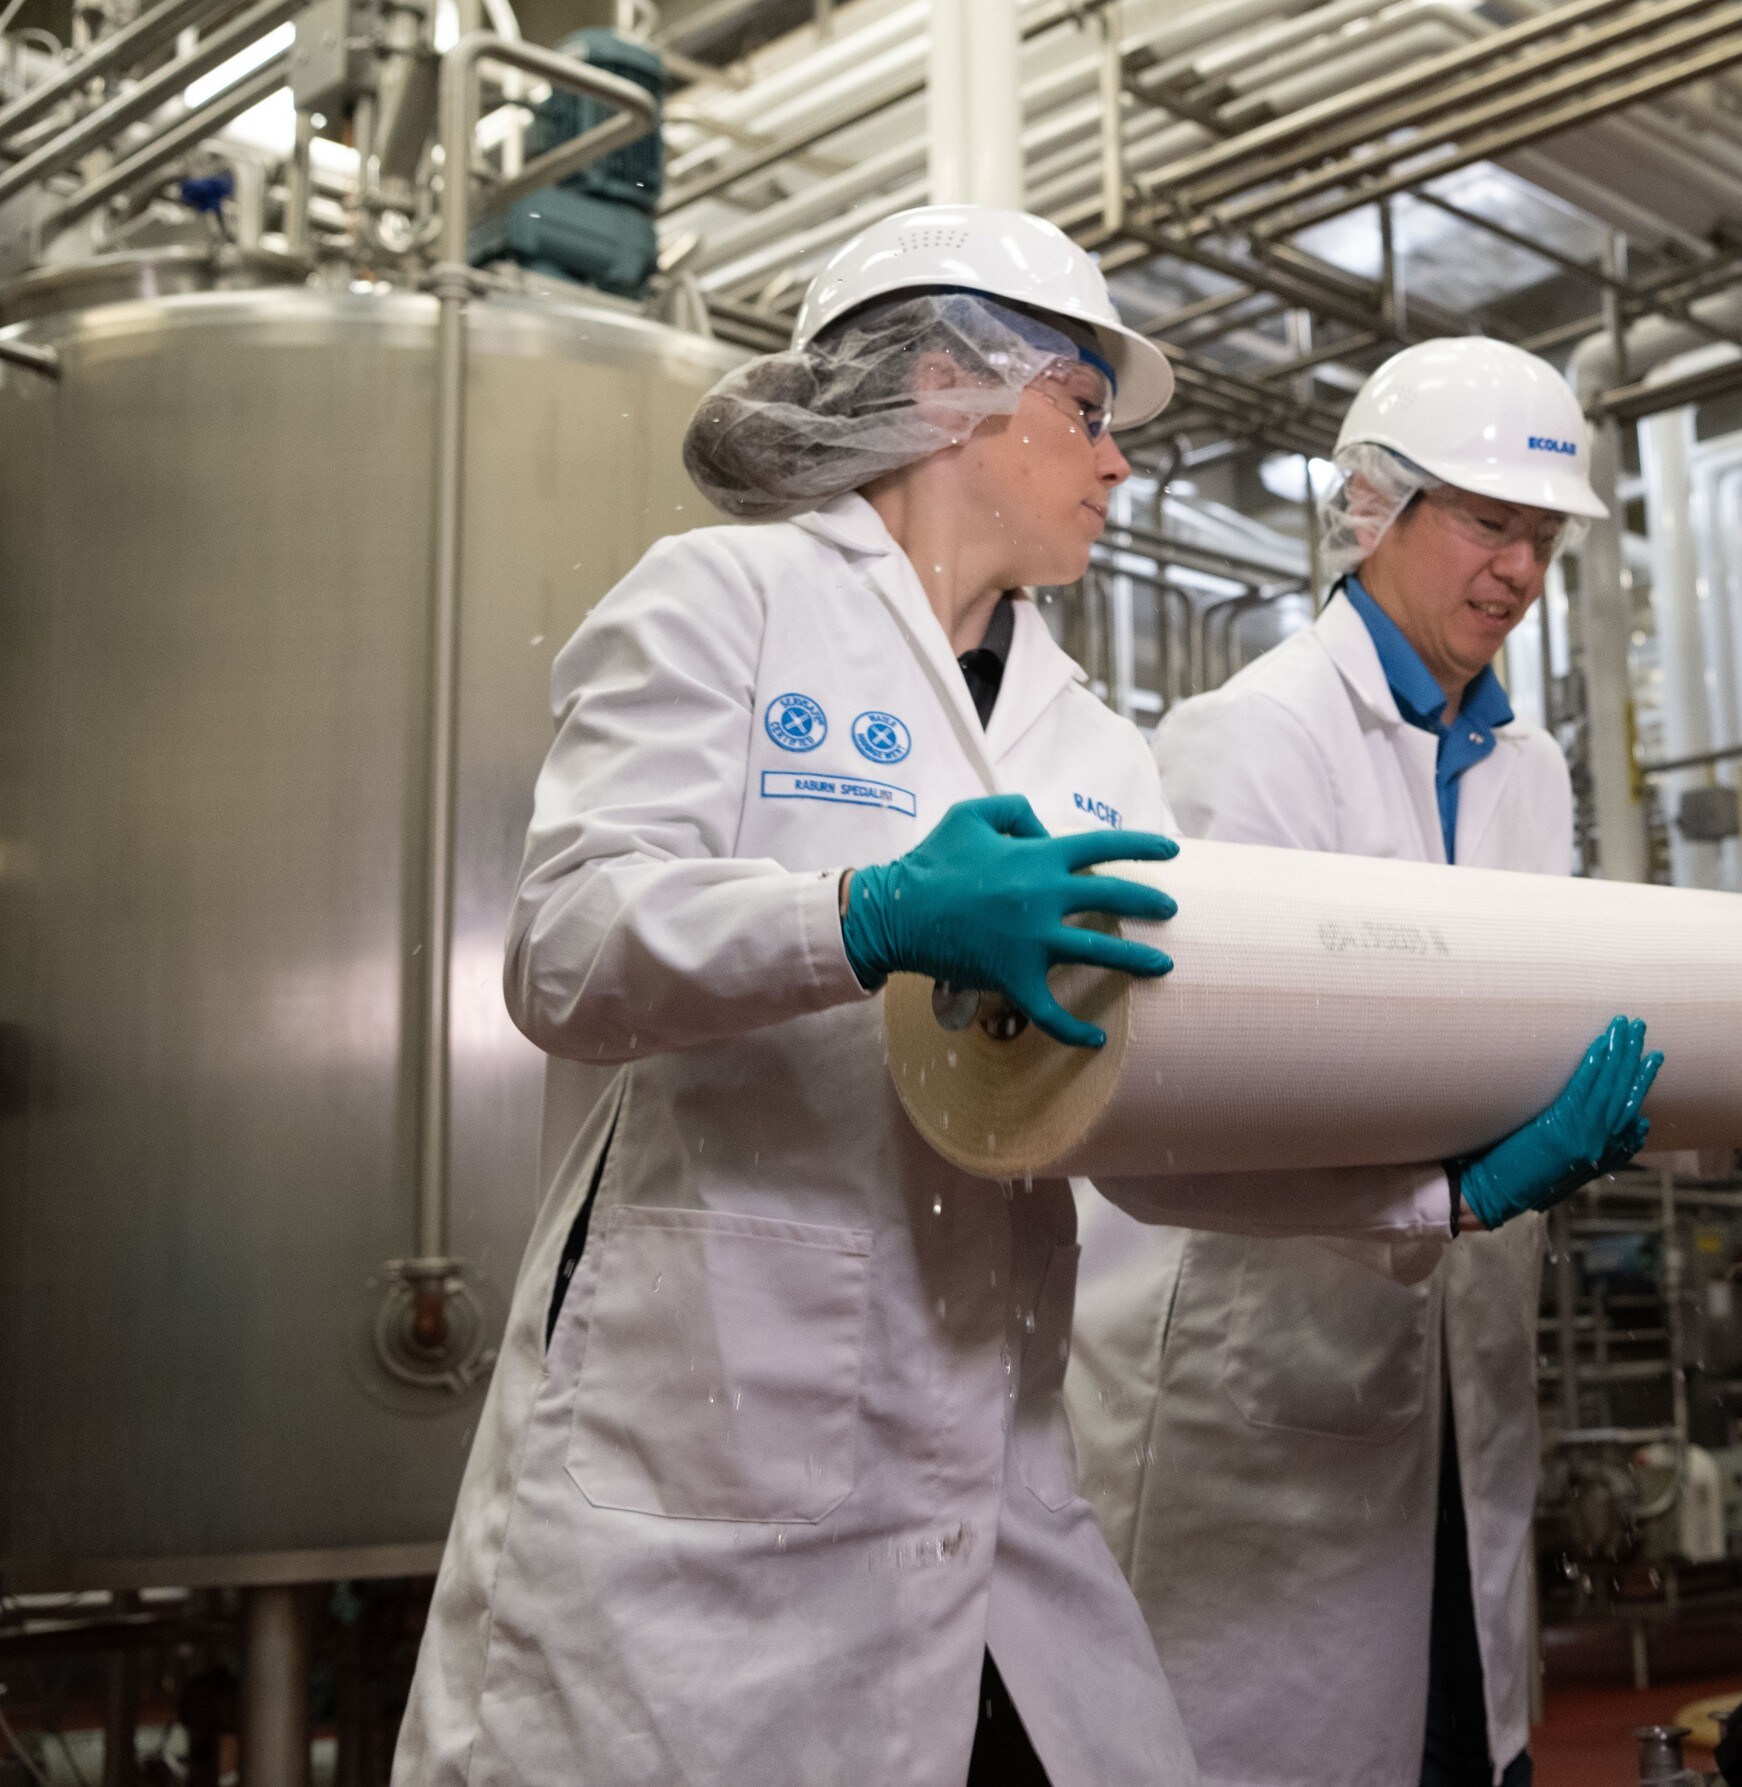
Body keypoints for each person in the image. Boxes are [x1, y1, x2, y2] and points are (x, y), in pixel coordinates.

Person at [391, 213, 1657, 1787]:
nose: (1118, 468)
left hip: (990, 1467)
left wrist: (1437, 1196)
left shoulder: (1094, 752)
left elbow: (1140, 1147)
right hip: (710, 1424)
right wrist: (864, 918)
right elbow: (564, 951)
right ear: (946, 389)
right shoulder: (725, 602)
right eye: (1087, 410)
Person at [1070, 337, 1626, 1787]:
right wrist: (1449, 1171)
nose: (1517, 572)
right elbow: (1217, 1091)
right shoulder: (1248, 742)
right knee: (1275, 1739)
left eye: (1543, 540)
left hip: (1457, 1357)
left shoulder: (1531, 766)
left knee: (1460, 1727)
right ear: (1372, 511)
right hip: (1263, 1362)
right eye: (1488, 525)